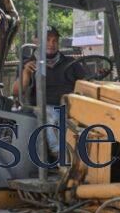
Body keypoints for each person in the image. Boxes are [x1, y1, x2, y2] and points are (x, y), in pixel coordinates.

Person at [13, 25, 86, 156]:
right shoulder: (29, 64)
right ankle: (59, 153)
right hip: (45, 107)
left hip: (72, 105)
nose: (51, 44)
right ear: (36, 41)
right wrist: (26, 73)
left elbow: (86, 83)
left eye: (54, 41)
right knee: (52, 114)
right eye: (47, 40)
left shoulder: (71, 62)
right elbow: (16, 91)